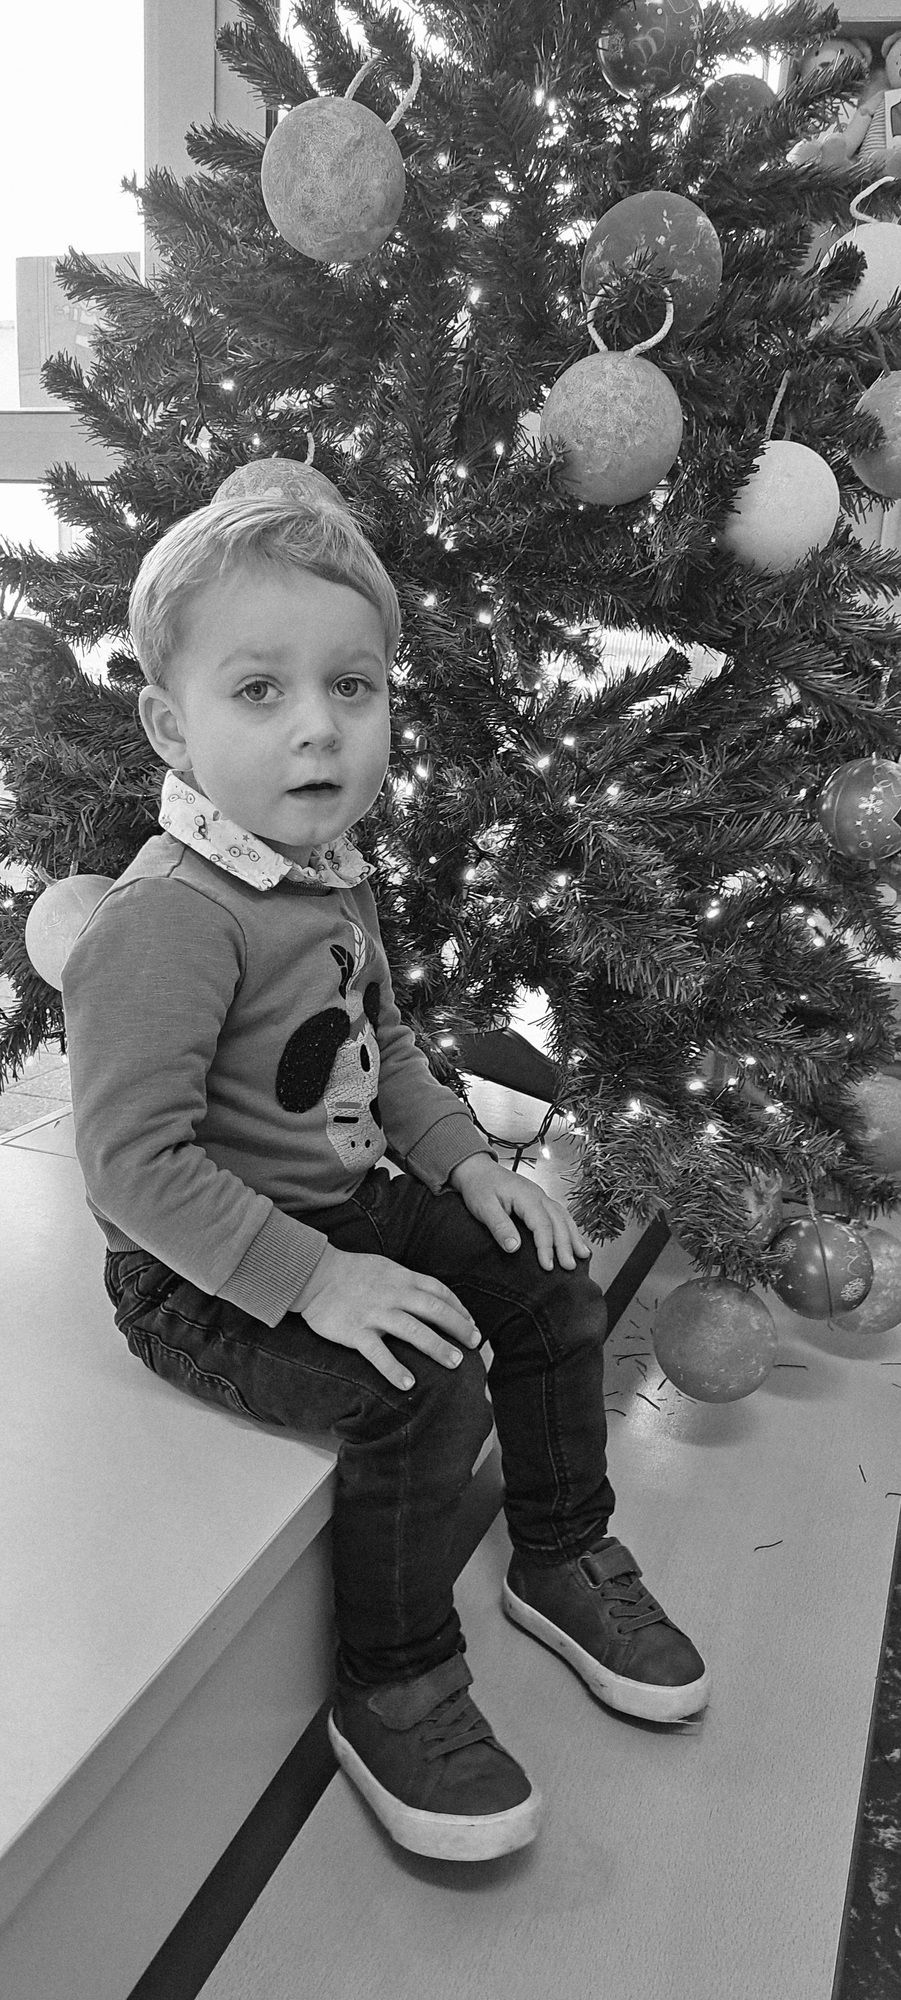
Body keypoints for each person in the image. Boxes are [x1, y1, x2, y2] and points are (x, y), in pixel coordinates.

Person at [61, 490, 710, 1865]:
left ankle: (560, 1549)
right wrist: (315, 1280)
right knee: (420, 1388)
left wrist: (466, 1165)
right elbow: (131, 1169)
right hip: (202, 1270)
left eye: (351, 686)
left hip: (351, 1202)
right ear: (171, 727)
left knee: (548, 1284)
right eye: (260, 689)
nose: (318, 727)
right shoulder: (169, 919)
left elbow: (389, 1049)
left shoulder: (329, 873)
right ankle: (394, 1682)